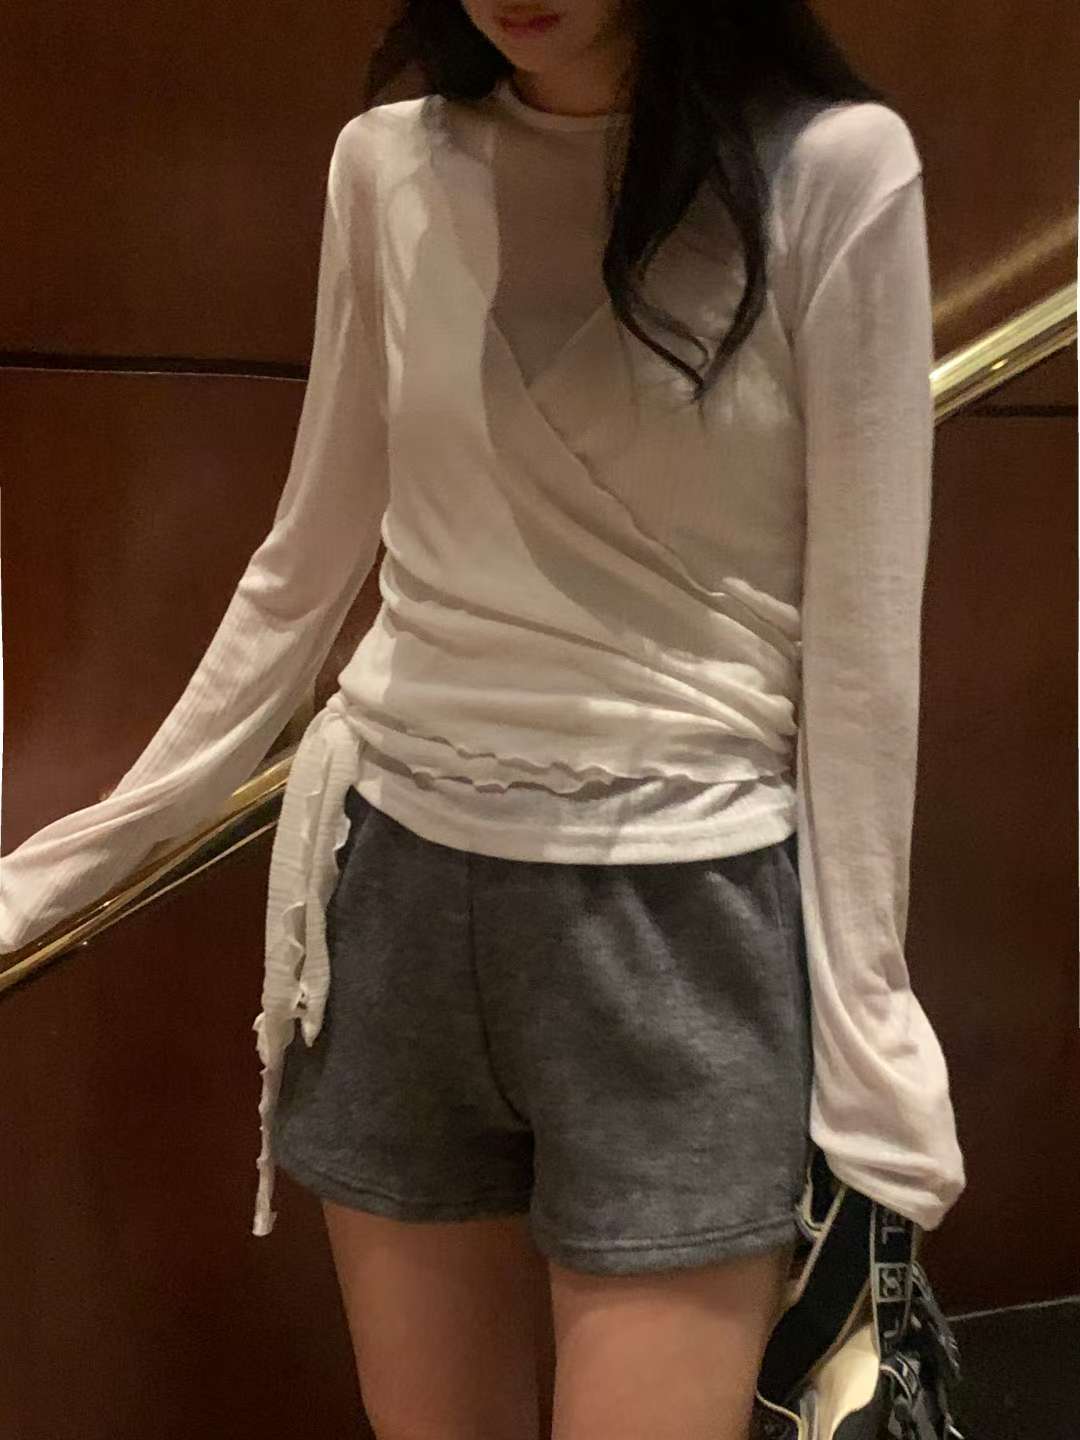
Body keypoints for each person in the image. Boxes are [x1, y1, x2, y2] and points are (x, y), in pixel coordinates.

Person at [1, 0, 968, 1435]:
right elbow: (301, 574)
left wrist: (873, 1048)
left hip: (681, 917)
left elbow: (866, 654)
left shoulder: (833, 171)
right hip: (394, 896)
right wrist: (46, 879)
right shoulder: (387, 163)